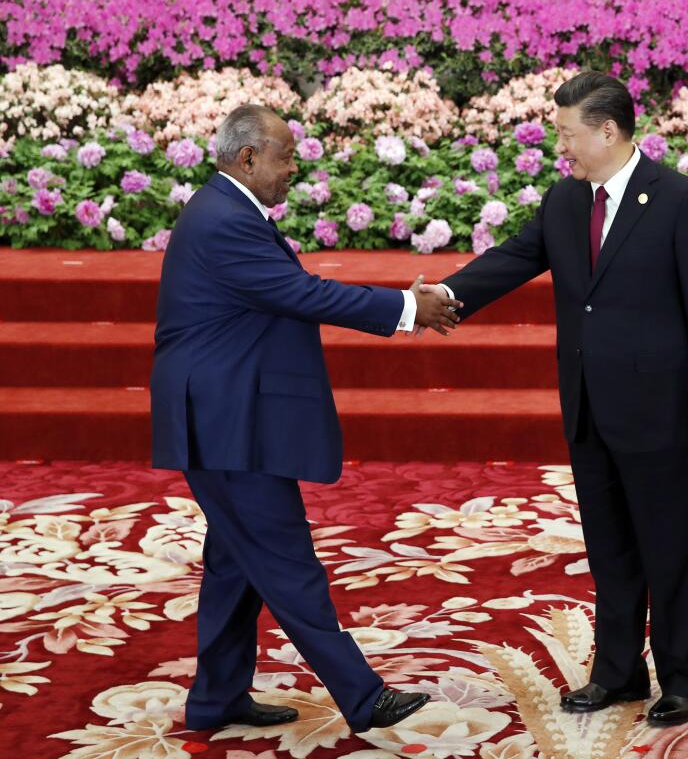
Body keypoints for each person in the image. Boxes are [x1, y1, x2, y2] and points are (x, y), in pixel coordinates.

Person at [424, 72, 688, 726]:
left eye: (567, 132)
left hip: (664, 407)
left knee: (673, 546)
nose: (559, 144)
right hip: (591, 404)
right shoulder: (567, 201)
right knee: (611, 549)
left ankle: (685, 677)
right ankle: (618, 673)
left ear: (608, 130)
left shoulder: (679, 200)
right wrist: (445, 298)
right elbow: (514, 257)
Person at [150, 104, 462, 733]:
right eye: (285, 156)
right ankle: (361, 694)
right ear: (247, 158)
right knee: (286, 559)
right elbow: (304, 294)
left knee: (237, 565)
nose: (293, 167)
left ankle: (216, 698)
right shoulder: (223, 221)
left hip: (228, 415)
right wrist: (409, 308)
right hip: (225, 423)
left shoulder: (225, 210)